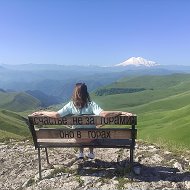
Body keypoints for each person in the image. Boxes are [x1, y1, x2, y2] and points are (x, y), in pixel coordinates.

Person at [32, 83, 132, 159]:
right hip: (91, 139)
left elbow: (56, 115)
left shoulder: (71, 105)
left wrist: (42, 112)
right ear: (86, 93)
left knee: (78, 130)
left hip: (77, 139)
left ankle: (80, 153)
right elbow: (104, 114)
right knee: (91, 128)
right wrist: (120, 112)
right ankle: (91, 153)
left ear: (75, 93)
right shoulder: (91, 105)